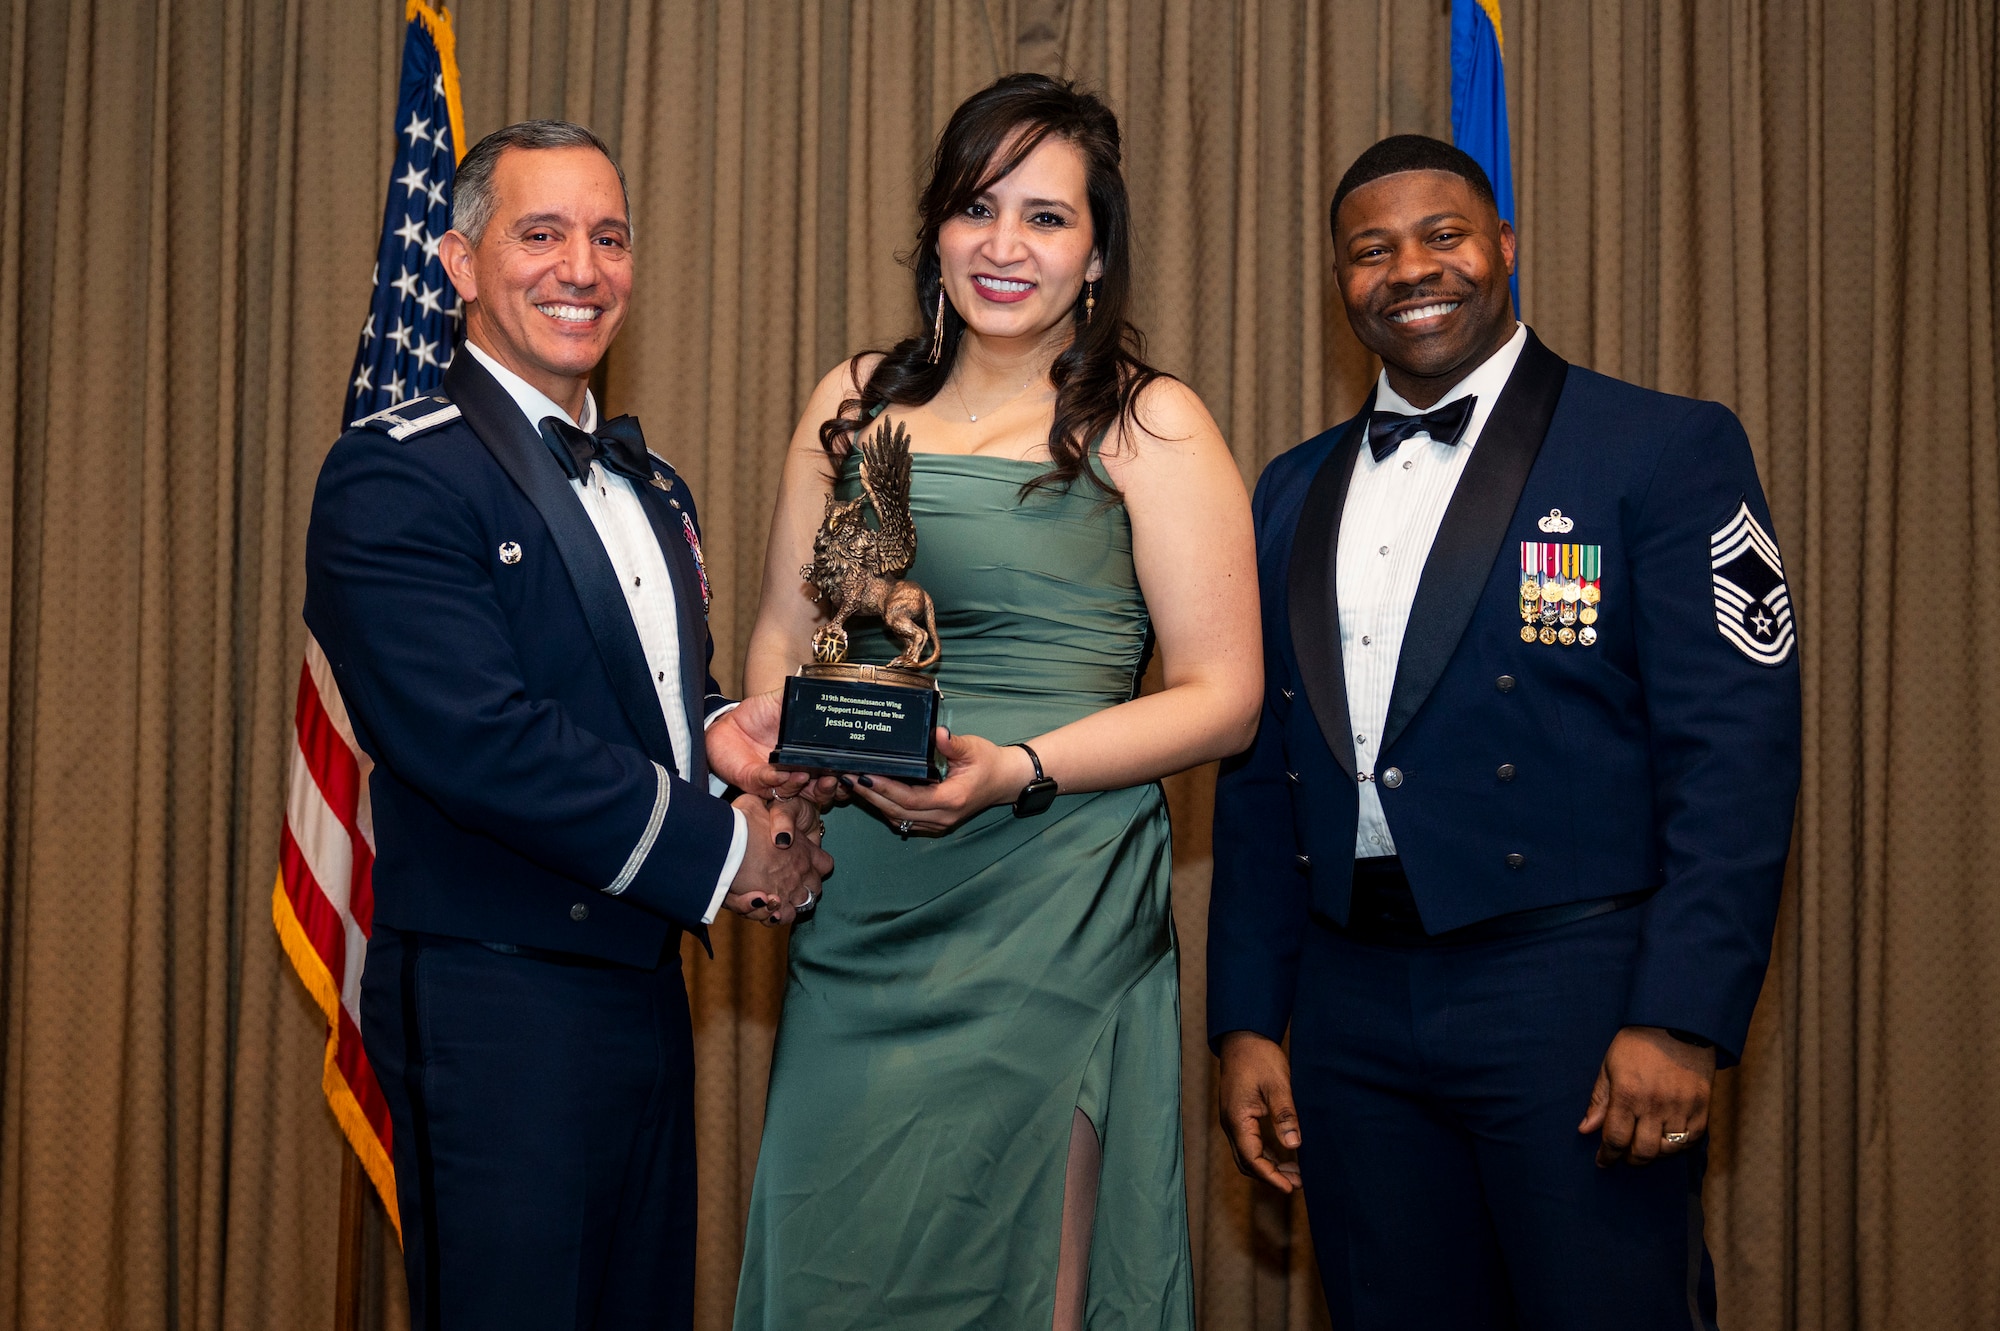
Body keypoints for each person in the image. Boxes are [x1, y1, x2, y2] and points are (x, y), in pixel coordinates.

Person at [1208, 134, 1801, 1330]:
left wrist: (1679, 1015)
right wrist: (1242, 1018)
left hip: (1573, 999)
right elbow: (1260, 775)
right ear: (1339, 281)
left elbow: (1733, 753)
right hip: (1348, 1006)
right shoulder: (1286, 487)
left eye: (1442, 235)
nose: (1409, 269)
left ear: (1504, 248)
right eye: (1369, 251)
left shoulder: (1661, 446)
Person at [730, 75, 1260, 1330]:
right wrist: (784, 758)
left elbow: (1225, 696)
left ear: (1095, 254)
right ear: (935, 231)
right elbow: (779, 629)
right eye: (978, 208)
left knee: (1019, 1278)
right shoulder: (851, 399)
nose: (1004, 246)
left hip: (1049, 898)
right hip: (859, 904)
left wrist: (1009, 767)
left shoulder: (1150, 425)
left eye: (1046, 216)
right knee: (836, 1263)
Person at [303, 120, 832, 1331]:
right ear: (459, 261)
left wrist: (721, 732)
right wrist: (722, 850)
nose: (580, 269)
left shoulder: (652, 486)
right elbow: (474, 735)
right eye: (539, 235)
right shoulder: (394, 474)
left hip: (646, 985)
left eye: (608, 237)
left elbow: (642, 691)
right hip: (496, 997)